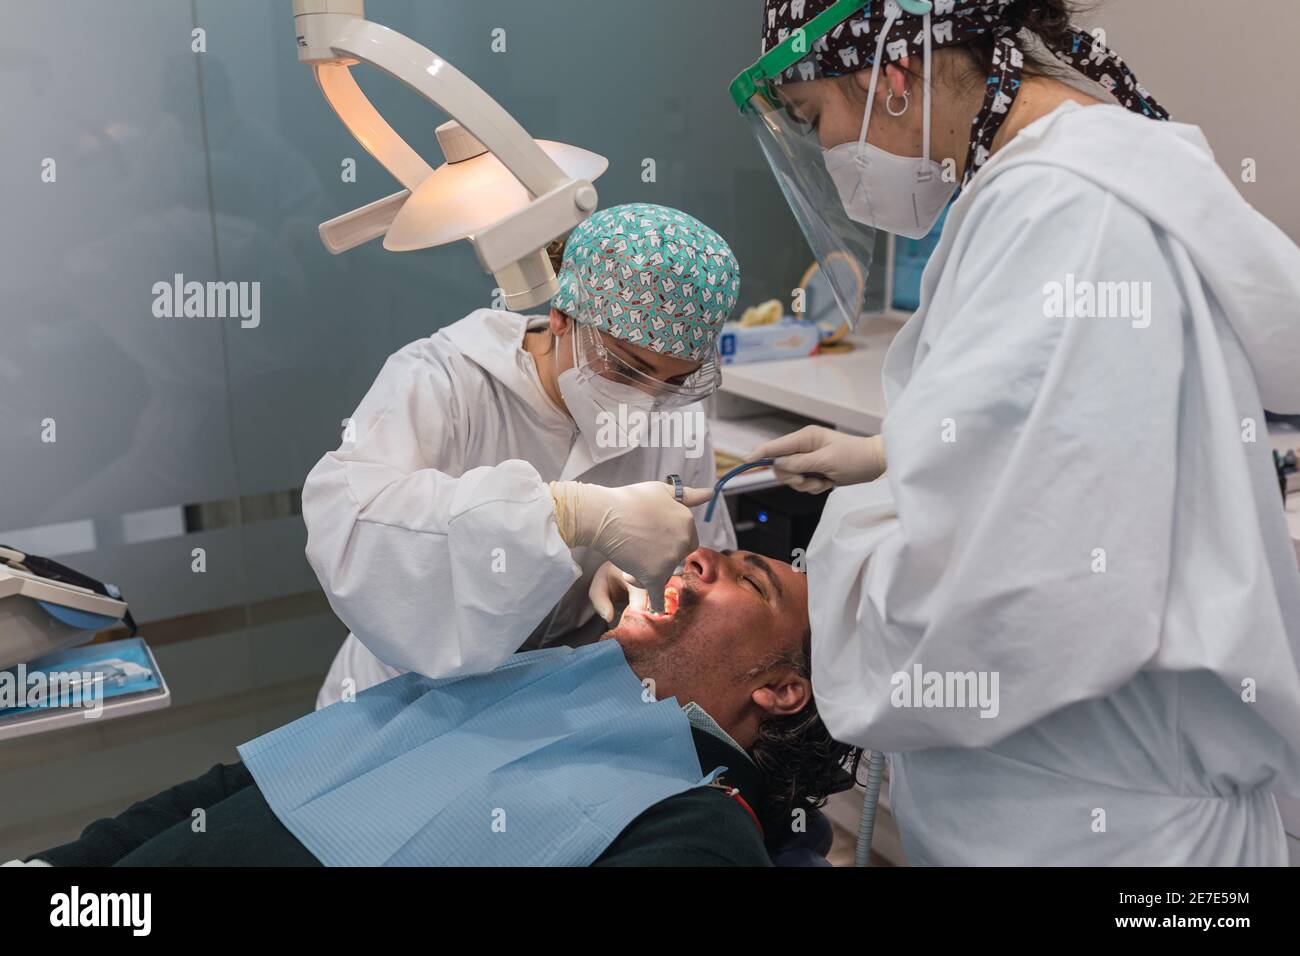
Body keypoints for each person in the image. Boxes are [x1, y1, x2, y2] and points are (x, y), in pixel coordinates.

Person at [733, 0, 1300, 864]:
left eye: (816, 120)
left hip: (1112, 840)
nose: (828, 155)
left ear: (889, 76)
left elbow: (993, 604)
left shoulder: (1064, 216)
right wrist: (907, 457)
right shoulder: (1035, 195)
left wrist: (847, 536)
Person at [19, 549, 856, 867]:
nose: (703, 554)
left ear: (780, 689)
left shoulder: (698, 822)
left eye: (754, 581)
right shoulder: (509, 681)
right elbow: (234, 789)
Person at [303, 203, 742, 708]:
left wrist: (648, 582)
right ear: (561, 315)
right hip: (408, 690)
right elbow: (354, 524)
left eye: (675, 382)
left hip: (557, 695)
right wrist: (563, 515)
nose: (646, 401)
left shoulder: (673, 414)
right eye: (627, 370)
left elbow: (704, 561)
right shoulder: (447, 378)